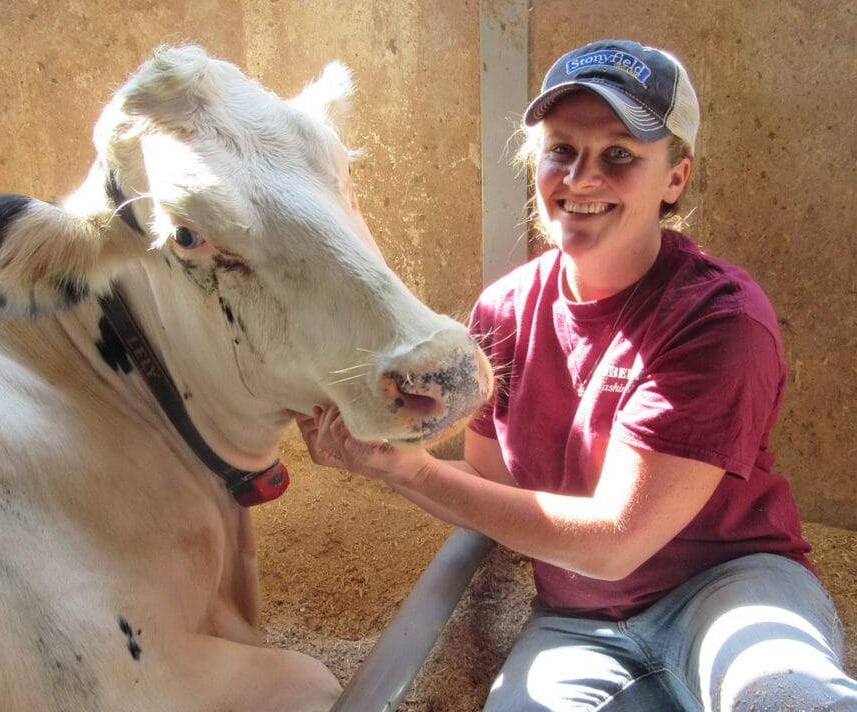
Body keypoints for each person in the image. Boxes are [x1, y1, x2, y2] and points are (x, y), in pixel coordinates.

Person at [297, 39, 857, 711]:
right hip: (577, 615)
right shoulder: (503, 310)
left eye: (620, 155)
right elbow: (490, 484)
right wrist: (389, 443)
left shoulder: (718, 318)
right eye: (562, 149)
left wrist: (406, 470)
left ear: (675, 178)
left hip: (726, 585)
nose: (581, 178)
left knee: (786, 695)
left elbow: (617, 542)